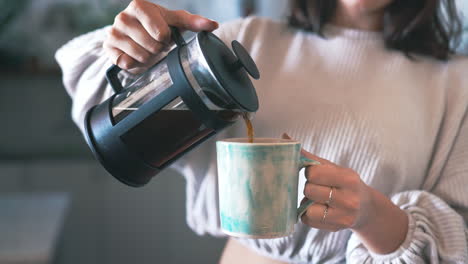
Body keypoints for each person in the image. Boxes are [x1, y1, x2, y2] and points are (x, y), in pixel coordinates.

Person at [55, 0, 468, 263]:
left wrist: (370, 213)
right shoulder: (246, 41)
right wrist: (141, 56)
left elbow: (458, 237)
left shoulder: (457, 83)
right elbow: (108, 120)